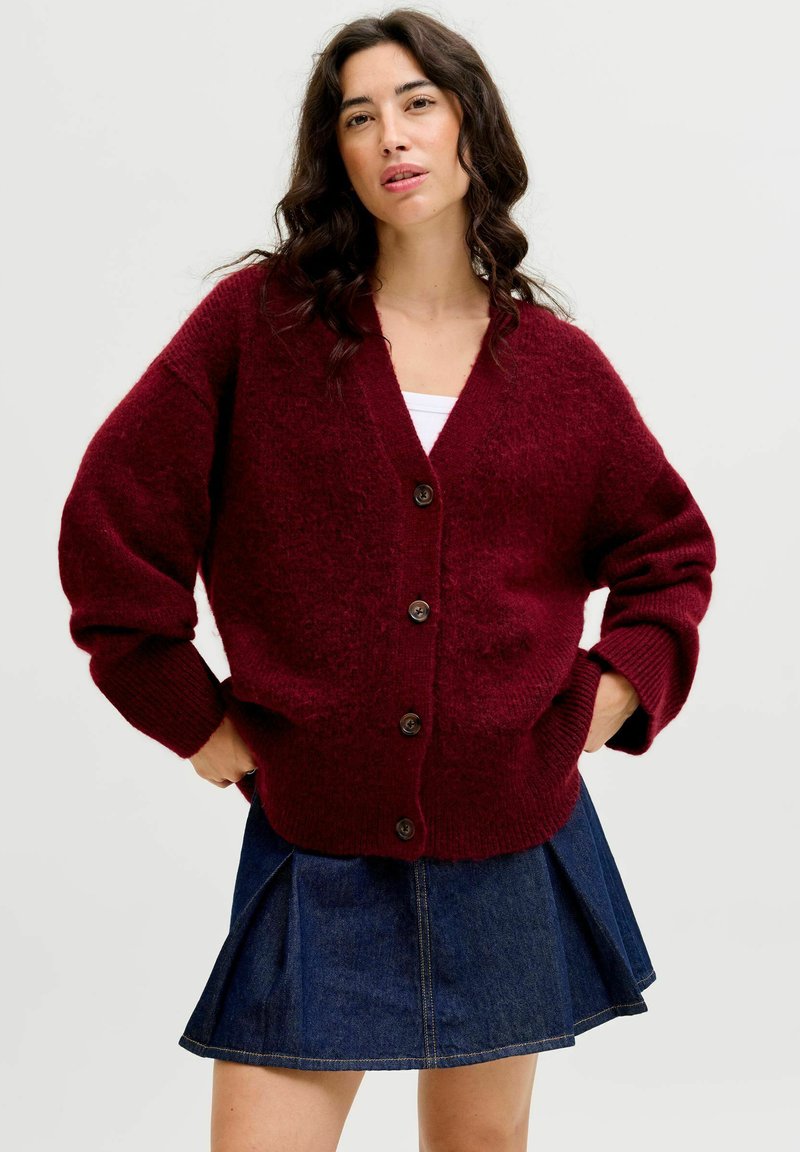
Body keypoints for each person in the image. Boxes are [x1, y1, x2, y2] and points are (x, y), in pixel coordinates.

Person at [57, 10, 717, 1152]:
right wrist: (189, 714)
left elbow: (671, 557)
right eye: (358, 117)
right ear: (338, 154)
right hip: (317, 840)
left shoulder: (557, 370)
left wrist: (603, 701)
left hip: (509, 839)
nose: (391, 136)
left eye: (417, 103)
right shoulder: (256, 329)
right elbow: (113, 527)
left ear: (469, 127)